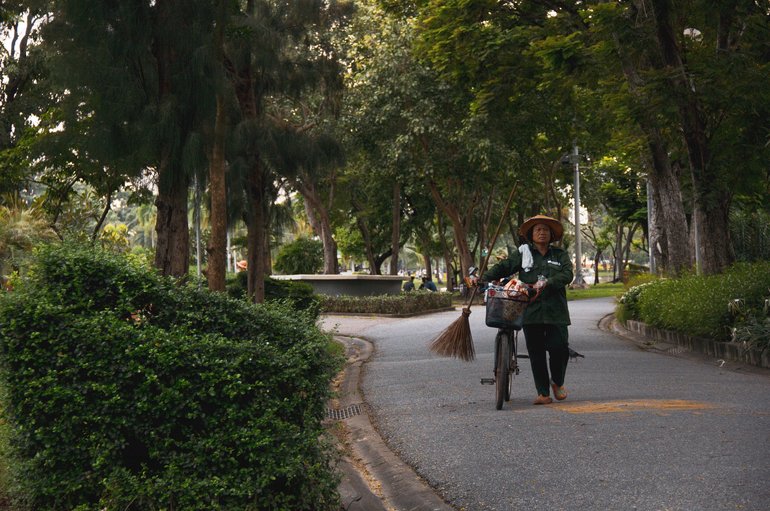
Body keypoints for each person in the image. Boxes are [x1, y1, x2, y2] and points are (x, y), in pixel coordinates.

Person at [480, 215, 573, 405]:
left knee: (559, 348)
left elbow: (567, 274)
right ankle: (543, 393)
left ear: (551, 234)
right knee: (536, 351)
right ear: (531, 234)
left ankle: (558, 382)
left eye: (545, 230)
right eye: (537, 229)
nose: (541, 232)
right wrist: (482, 278)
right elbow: (504, 267)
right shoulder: (523, 253)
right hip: (530, 309)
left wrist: (548, 283)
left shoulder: (559, 254)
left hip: (556, 310)